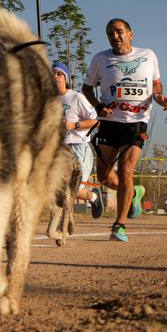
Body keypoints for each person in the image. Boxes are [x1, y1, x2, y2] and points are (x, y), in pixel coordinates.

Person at [82, 18, 167, 242]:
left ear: (131, 34)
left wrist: (160, 97)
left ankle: (119, 225)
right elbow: (86, 88)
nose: (115, 36)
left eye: (119, 31)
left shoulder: (148, 55)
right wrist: (98, 106)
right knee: (104, 177)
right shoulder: (100, 59)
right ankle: (134, 193)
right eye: (110, 33)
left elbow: (156, 85)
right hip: (110, 123)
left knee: (126, 171)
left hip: (136, 122)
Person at [54, 62, 100, 216]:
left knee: (75, 188)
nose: (56, 77)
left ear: (66, 78)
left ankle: (93, 196)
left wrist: (74, 125)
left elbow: (96, 120)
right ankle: (63, 219)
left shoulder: (76, 97)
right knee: (57, 188)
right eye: (53, 73)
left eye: (60, 74)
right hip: (59, 150)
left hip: (78, 147)